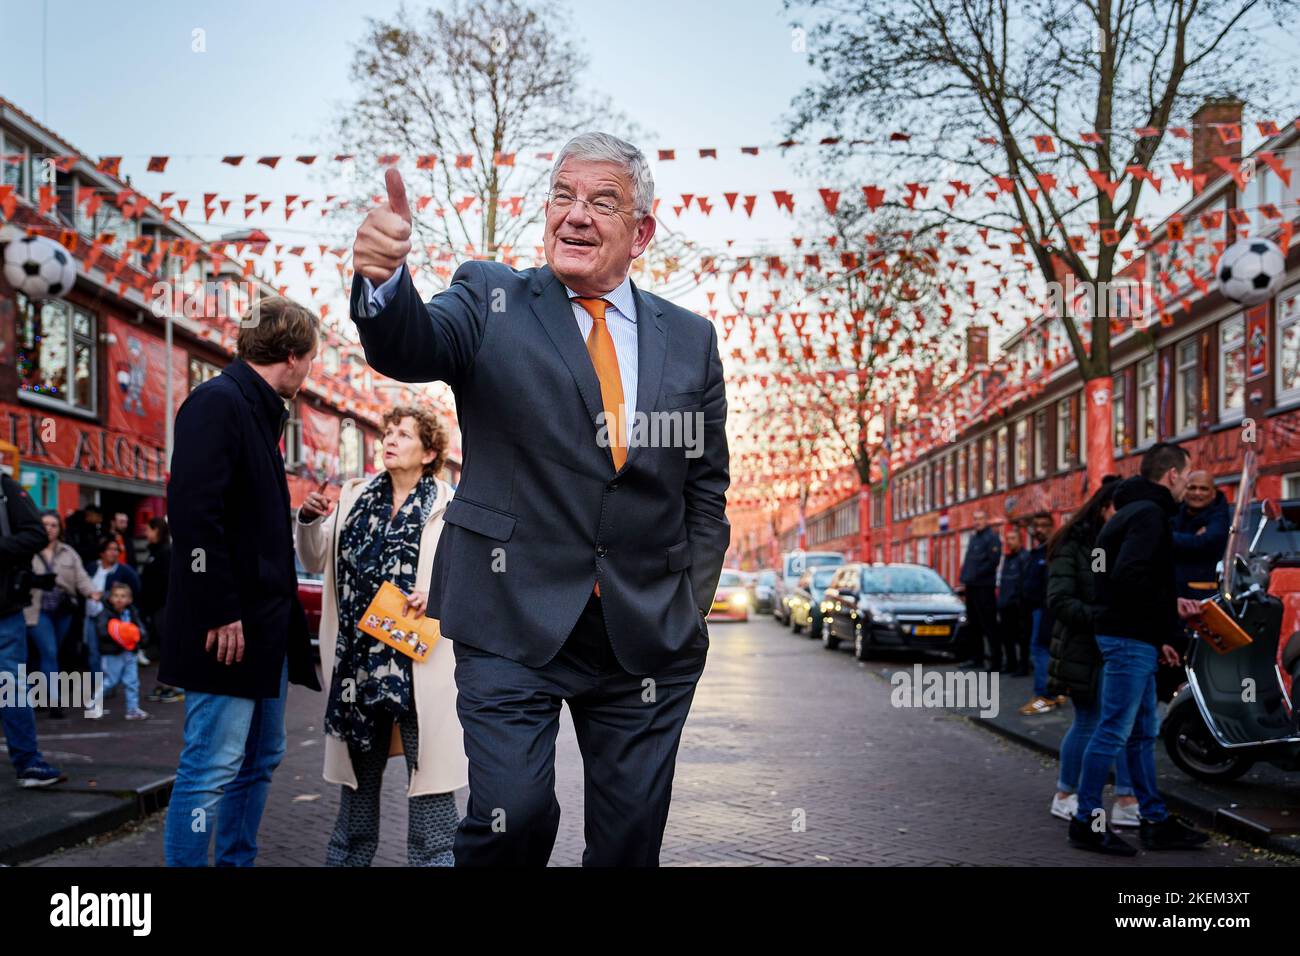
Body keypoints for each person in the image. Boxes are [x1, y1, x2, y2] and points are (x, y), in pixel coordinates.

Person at [350, 131, 729, 866]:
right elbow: (411, 344)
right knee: (513, 818)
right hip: (509, 618)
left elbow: (704, 484)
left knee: (627, 847)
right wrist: (383, 283)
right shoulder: (490, 300)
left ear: (642, 231)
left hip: (645, 635)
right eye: (563, 196)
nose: (575, 215)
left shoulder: (690, 340)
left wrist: (692, 602)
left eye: (602, 202)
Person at [160, 296, 322, 867]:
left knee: (258, 758)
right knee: (211, 767)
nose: (310, 372)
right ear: (295, 355)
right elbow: (194, 514)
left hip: (263, 630)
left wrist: (296, 523)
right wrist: (221, 609)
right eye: (312, 361)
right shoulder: (219, 403)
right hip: (229, 629)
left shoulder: (254, 409)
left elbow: (239, 519)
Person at [296, 406, 468, 867]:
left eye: (404, 435)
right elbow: (315, 561)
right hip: (358, 670)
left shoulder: (450, 506)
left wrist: (438, 593)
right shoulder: (354, 498)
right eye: (388, 433)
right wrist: (309, 522)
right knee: (355, 804)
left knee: (432, 804)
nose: (389, 440)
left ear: (430, 451)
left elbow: (474, 576)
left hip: (420, 670)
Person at [1069, 443, 1209, 855]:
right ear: (1171, 475)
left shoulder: (1123, 515)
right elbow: (1131, 575)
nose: (1187, 483)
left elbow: (1103, 571)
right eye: (1186, 475)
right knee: (1114, 729)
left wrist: (1159, 633)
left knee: (1141, 732)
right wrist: (1166, 616)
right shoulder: (1149, 516)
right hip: (1129, 638)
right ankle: (1087, 821)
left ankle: (1154, 819)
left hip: (1131, 635)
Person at [1045, 476, 1140, 826]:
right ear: (1103, 509)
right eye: (1118, 509)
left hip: (1116, 647)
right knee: (1089, 721)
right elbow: (1059, 600)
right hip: (1083, 650)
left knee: (1125, 725)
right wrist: (1103, 618)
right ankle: (1065, 794)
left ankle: (1127, 799)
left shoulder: (1119, 544)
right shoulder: (1073, 544)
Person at [0, 470, 65, 786]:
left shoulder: (4, 487)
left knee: (11, 685)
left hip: (4, 609)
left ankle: (27, 761)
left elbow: (36, 534)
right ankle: (28, 762)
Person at [24, 511, 101, 716]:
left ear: (60, 529)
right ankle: (55, 702)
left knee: (47, 654)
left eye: (53, 525)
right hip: (36, 610)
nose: (49, 529)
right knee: (48, 651)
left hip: (63, 610)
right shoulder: (27, 550)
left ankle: (35, 697)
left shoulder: (68, 552)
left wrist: (92, 592)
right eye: (45, 525)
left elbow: (81, 577)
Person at [81, 538, 141, 693]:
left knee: (110, 652)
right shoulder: (91, 567)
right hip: (91, 615)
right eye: (110, 549)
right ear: (102, 552)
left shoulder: (124, 571)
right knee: (93, 652)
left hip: (112, 620)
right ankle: (99, 688)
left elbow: (136, 588)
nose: (113, 552)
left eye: (116, 549)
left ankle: (109, 683)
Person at [86, 582, 150, 721]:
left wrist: (141, 638)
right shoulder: (105, 613)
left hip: (130, 653)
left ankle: (132, 709)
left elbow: (140, 629)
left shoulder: (132, 612)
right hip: (112, 654)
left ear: (129, 599)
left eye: (123, 596)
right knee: (110, 681)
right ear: (110, 598)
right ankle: (93, 704)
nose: (119, 599)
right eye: (116, 596)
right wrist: (118, 633)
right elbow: (102, 631)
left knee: (132, 681)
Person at [1018, 511, 1058, 714]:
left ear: (1053, 526)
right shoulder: (1038, 551)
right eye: (1037, 526)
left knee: (1041, 650)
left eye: (1044, 525)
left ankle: (1044, 697)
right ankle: (1055, 692)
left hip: (1045, 610)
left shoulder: (1051, 551)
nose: (1040, 530)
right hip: (1037, 609)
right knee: (1047, 651)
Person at [139, 517, 181, 700]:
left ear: (157, 530)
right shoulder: (155, 552)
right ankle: (164, 684)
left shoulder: (165, 553)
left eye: (148, 530)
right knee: (162, 648)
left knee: (167, 648)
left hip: (163, 607)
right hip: (155, 608)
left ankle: (172, 686)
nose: (145, 534)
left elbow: (166, 582)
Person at [957, 509, 1002, 670]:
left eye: (980, 519)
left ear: (986, 520)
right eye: (975, 519)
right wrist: (964, 579)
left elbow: (993, 562)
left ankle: (996, 662)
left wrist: (974, 576)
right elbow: (969, 561)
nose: (977, 522)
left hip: (984, 588)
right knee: (973, 624)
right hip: (972, 587)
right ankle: (977, 659)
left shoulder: (992, 538)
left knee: (989, 625)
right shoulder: (974, 538)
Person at [995, 526, 1030, 675]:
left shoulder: (1024, 557)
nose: (1009, 542)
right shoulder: (1007, 559)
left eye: (1012, 539)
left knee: (1022, 639)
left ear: (1020, 541)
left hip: (1018, 606)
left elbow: (1024, 583)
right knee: (1006, 638)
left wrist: (1018, 602)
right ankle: (1010, 664)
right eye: (1007, 539)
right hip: (1005, 605)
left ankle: (1023, 667)